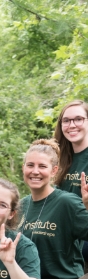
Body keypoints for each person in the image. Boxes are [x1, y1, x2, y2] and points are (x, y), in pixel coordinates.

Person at [17, 139, 88, 279]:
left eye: (42, 166)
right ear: (23, 168)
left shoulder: (67, 203)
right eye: (30, 165)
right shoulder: (21, 206)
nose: (35, 171)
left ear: (54, 170)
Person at [53, 100, 88, 260]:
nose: (72, 125)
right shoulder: (57, 159)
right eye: (66, 121)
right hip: (60, 232)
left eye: (78, 119)